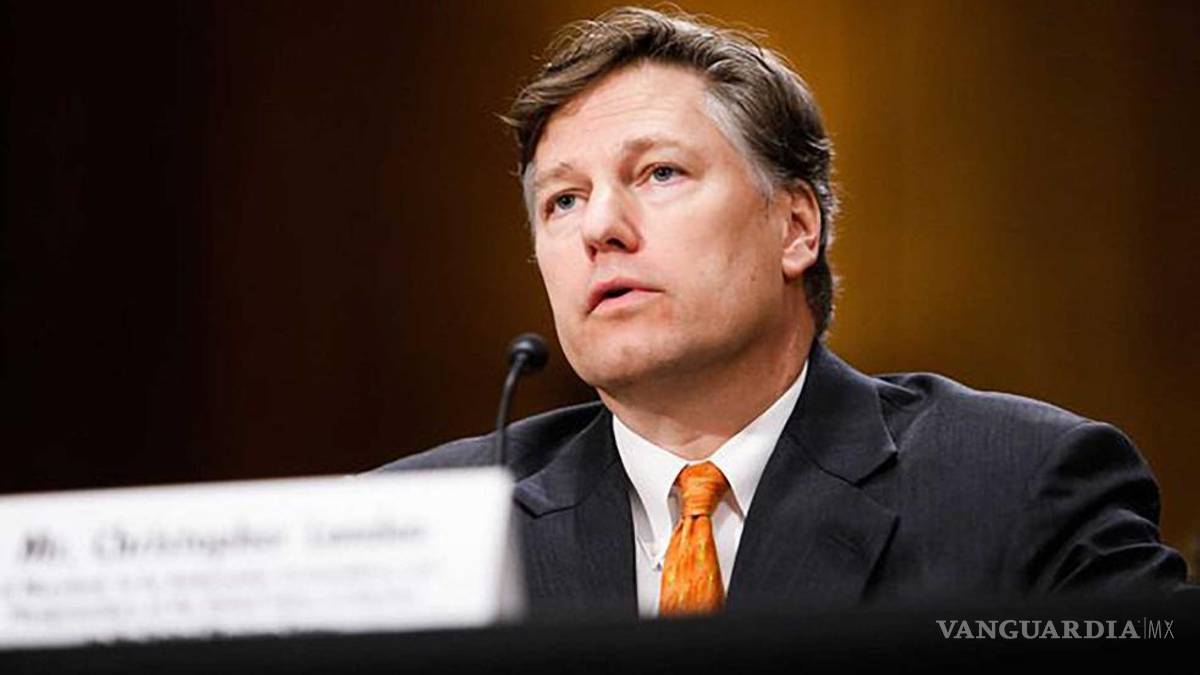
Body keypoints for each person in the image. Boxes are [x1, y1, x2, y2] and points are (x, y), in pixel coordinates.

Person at [377, 7, 1188, 618]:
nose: (599, 227)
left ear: (797, 226)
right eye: (563, 199)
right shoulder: (412, 525)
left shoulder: (1018, 488)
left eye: (659, 173)